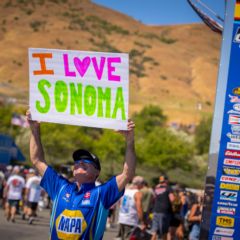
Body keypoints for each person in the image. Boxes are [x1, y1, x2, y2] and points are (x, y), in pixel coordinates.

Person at [26, 110, 136, 240]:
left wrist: (129, 141)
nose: (80, 162)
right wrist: (34, 128)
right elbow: (37, 160)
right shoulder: (60, 187)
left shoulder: (102, 193)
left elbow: (127, 173)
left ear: (97, 172)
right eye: (77, 161)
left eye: (87, 161)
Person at [151, 175, 175, 240]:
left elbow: (153, 198)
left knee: (154, 231)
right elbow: (172, 199)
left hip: (155, 210)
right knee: (164, 232)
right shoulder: (168, 188)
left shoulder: (156, 188)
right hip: (164, 212)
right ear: (166, 180)